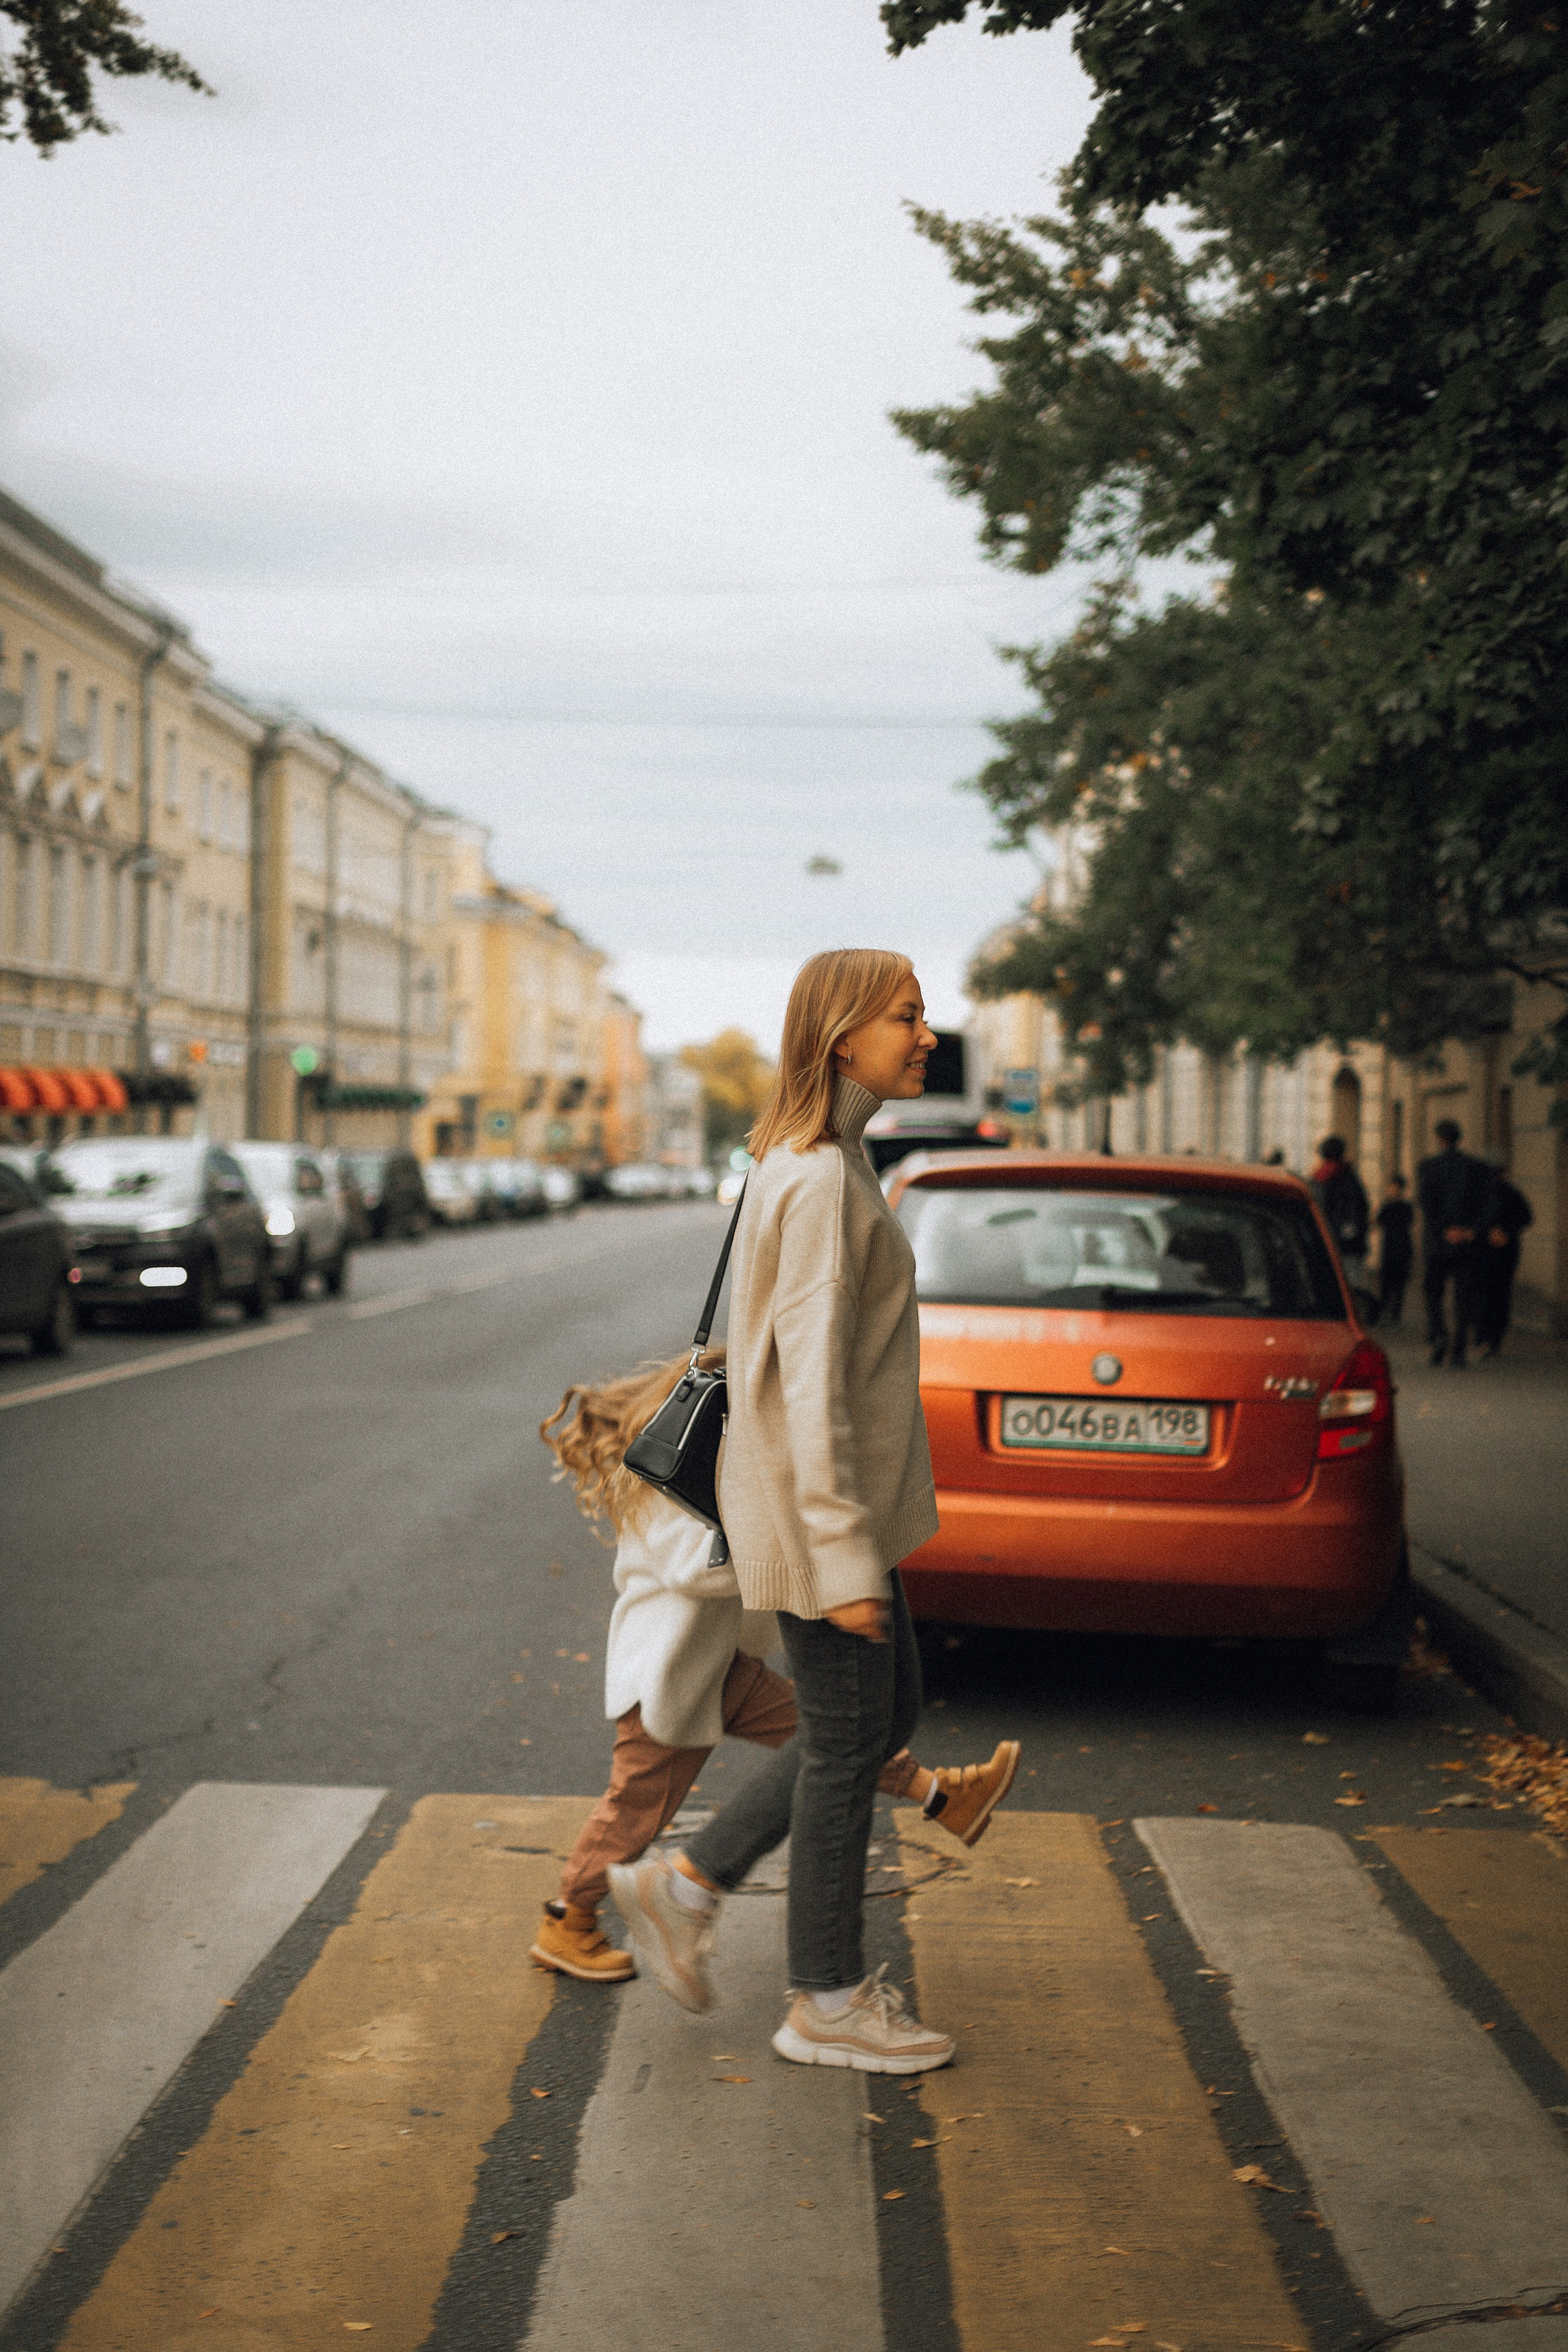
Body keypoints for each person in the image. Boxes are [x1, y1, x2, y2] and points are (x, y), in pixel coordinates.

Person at [611, 949, 986, 2075]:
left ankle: (682, 1884)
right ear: (842, 1039)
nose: (929, 1034)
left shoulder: (817, 1155)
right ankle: (823, 1996)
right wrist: (839, 1557)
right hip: (822, 1517)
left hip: (838, 1510)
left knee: (881, 1711)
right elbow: (810, 1379)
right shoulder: (820, 1177)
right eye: (907, 1017)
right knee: (844, 1748)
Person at [530, 1345, 1020, 1986]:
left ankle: (943, 1797)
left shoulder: (692, 1470)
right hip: (664, 1680)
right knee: (636, 1811)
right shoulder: (663, 1484)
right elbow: (693, 1574)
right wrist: (771, 1542)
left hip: (720, 1669)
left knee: (832, 1733)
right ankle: (568, 1920)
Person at [1417, 1117, 1492, 1366]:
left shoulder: (1428, 1167)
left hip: (1437, 1243)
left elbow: (1427, 1205)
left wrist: (1444, 1230)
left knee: (1434, 1295)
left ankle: (1439, 1337)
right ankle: (1459, 1348)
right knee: (1464, 1297)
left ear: (1439, 1139)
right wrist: (1469, 1231)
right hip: (1467, 1245)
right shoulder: (1477, 1168)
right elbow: (1487, 1206)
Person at [1475, 1167, 1533, 1358]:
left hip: (1484, 1250)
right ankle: (1495, 1340)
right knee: (1501, 1295)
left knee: (1483, 1293)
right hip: (1506, 1251)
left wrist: (1489, 1232)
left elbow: (1473, 1219)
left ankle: (1483, 1338)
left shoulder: (1480, 1193)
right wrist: (1507, 1232)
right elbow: (1527, 1218)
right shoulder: (1513, 1193)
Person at [1310, 1134, 1370, 1287]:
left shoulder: (1316, 1180)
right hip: (1348, 1246)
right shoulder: (1350, 1179)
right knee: (1352, 1286)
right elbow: (1360, 1211)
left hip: (1322, 1245)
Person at [1374, 1174, 1415, 1329]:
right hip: (1390, 1248)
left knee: (1399, 1285)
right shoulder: (1388, 1205)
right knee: (1386, 1284)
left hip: (1402, 1248)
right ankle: (1385, 1314)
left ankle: (1394, 1316)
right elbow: (1378, 1221)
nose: (1394, 1190)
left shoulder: (1404, 1206)